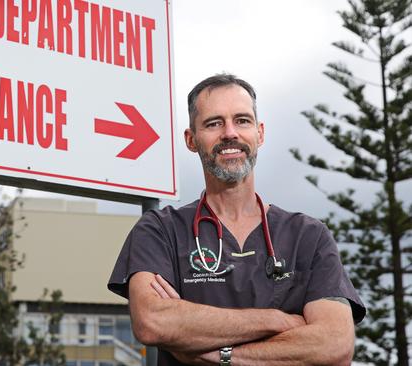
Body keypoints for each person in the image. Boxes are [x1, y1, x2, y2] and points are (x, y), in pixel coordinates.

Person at [107, 74, 366, 365]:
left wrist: (220, 354)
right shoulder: (160, 229)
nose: (230, 133)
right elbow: (154, 322)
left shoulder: (308, 236)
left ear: (260, 133)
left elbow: (335, 345)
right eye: (214, 123)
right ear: (191, 140)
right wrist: (276, 320)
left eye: (242, 120)